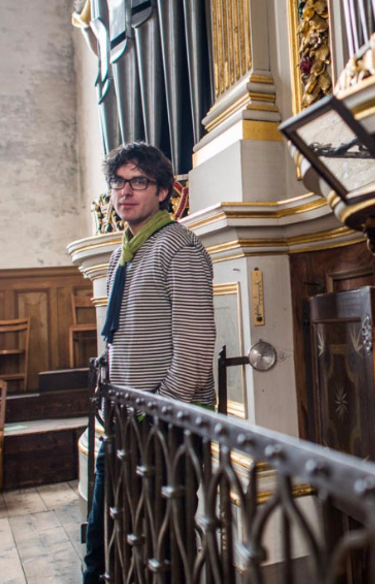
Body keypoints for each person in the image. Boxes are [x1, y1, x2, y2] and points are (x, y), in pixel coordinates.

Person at [83, 142, 216, 583]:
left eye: (138, 181)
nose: (125, 191)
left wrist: (156, 410)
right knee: (107, 539)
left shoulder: (179, 247)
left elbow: (195, 350)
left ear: (163, 191)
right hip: (125, 416)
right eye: (118, 182)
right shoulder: (122, 252)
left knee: (166, 543)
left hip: (165, 425)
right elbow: (119, 333)